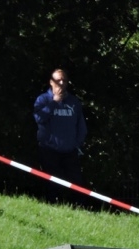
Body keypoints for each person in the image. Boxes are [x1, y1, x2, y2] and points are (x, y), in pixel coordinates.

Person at [33, 68, 87, 201]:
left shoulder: (74, 102)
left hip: (70, 150)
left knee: (76, 183)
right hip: (49, 150)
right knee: (52, 184)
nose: (61, 83)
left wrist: (76, 144)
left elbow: (81, 126)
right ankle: (52, 205)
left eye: (64, 80)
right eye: (58, 80)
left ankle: (78, 207)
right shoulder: (43, 99)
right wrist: (54, 102)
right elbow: (39, 118)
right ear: (51, 82)